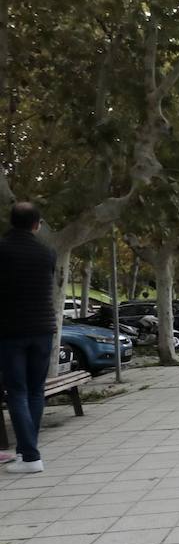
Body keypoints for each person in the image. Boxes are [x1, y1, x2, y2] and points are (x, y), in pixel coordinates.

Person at [0, 202, 57, 473]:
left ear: (12, 222)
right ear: (36, 224)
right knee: (36, 390)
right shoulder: (47, 253)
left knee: (17, 391)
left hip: (11, 331)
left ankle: (31, 456)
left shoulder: (3, 250)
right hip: (44, 329)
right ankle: (27, 453)